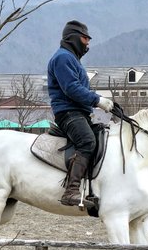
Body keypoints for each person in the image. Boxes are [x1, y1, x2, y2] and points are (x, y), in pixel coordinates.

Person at [47, 20, 114, 207]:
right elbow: (71, 88)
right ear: (74, 37)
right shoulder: (63, 58)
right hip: (68, 112)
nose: (88, 44)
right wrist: (98, 100)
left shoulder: (71, 59)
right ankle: (71, 190)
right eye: (85, 38)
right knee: (87, 141)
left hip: (80, 112)